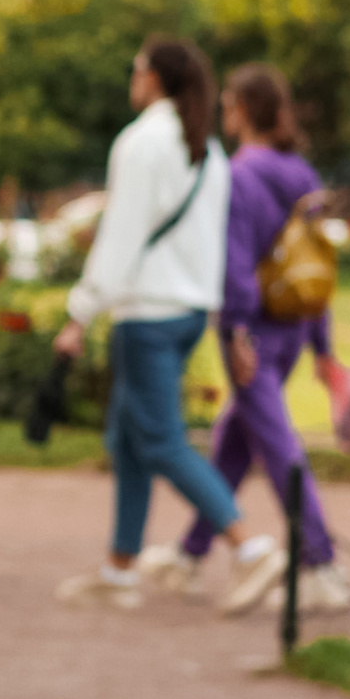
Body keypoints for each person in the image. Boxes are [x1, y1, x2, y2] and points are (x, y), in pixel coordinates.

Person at [51, 37, 280, 611]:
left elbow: (120, 235)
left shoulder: (142, 143)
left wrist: (81, 310)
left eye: (137, 69)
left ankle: (251, 548)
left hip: (146, 313)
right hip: (187, 314)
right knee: (128, 443)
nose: (132, 77)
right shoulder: (205, 150)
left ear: (156, 79)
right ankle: (120, 569)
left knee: (160, 440)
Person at [161, 65, 350, 615]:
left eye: (229, 103)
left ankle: (321, 563)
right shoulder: (302, 173)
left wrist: (235, 331)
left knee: (278, 447)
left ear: (244, 109)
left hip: (255, 336)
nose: (224, 112)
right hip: (294, 330)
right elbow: (316, 265)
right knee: (236, 443)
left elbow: (236, 262)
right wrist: (322, 345)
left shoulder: (239, 175)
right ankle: (190, 554)